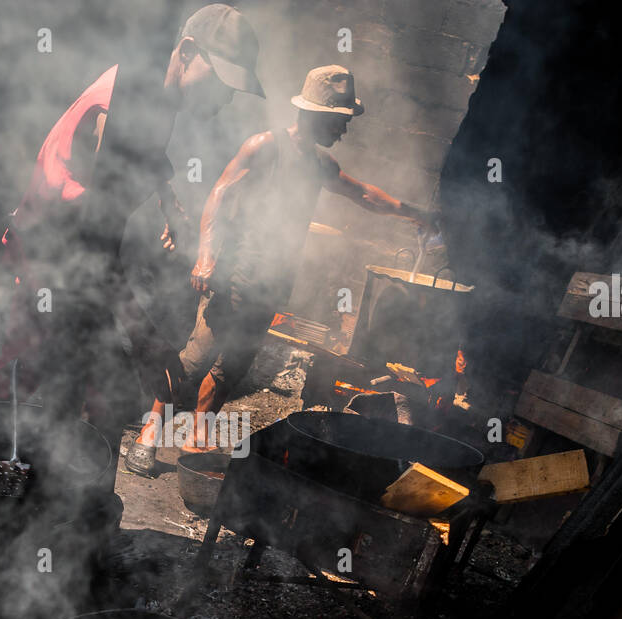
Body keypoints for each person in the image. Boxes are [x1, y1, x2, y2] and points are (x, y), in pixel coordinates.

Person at [0, 4, 264, 483]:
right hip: (53, 261)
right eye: (220, 82)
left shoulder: (155, 90)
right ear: (187, 51)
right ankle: (9, 501)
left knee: (83, 390)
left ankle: (52, 501)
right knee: (49, 388)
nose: (224, 100)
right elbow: (93, 248)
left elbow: (148, 154)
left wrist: (167, 202)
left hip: (81, 256)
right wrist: (145, 340)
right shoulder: (122, 109)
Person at [126, 65, 436, 475]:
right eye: (340, 122)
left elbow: (362, 193)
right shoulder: (264, 146)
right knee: (193, 362)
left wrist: (414, 214)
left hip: (269, 287)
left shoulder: (320, 165)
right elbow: (219, 193)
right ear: (317, 115)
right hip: (232, 278)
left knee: (229, 370)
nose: (343, 132)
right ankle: (147, 437)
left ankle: (197, 440)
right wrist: (206, 256)